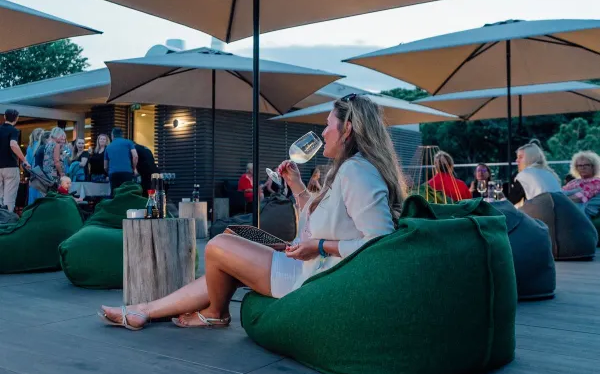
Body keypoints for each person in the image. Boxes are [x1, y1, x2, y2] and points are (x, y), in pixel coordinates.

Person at [98, 93, 406, 330]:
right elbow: (324, 224)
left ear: (347, 128)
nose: (323, 132)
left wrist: (320, 247)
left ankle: (215, 314)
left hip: (308, 280)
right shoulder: (349, 170)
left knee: (218, 245)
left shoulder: (357, 172)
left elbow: (380, 245)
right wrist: (298, 188)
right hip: (305, 265)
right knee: (231, 240)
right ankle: (144, 309)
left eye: (328, 124)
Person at [507, 140, 561, 205]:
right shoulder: (550, 173)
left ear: (530, 158)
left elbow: (511, 201)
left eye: (520, 157)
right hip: (560, 211)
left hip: (543, 212)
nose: (516, 160)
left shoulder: (525, 174)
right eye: (517, 157)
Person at [0, 109, 30, 211]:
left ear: (4, 117)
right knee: (9, 197)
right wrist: (24, 160)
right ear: (16, 119)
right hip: (11, 167)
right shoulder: (14, 131)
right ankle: (7, 220)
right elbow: (13, 144)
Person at [562, 151, 600, 218]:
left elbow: (581, 197)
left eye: (586, 165)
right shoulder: (573, 182)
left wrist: (560, 199)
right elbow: (560, 192)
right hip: (569, 208)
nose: (583, 168)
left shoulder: (596, 181)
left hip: (582, 212)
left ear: (593, 167)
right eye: (580, 165)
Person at [104, 128, 138, 195]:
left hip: (113, 173)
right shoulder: (129, 142)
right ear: (122, 135)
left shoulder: (108, 147)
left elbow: (105, 166)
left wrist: (109, 172)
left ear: (112, 135)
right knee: (127, 194)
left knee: (115, 194)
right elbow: (135, 156)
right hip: (127, 172)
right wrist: (133, 168)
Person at [26, 128, 44, 204]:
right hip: (43, 174)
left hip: (33, 174)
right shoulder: (43, 146)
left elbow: (28, 163)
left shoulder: (30, 147)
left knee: (32, 198)